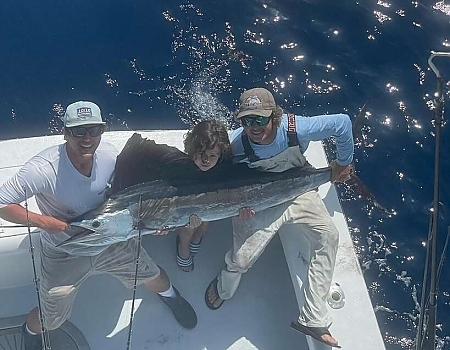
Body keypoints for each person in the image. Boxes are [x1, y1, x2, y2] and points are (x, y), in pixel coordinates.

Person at [0, 101, 197, 350]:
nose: (87, 138)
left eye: (94, 130)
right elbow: (1, 203)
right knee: (50, 318)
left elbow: (132, 199)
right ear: (65, 133)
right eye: (78, 131)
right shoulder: (43, 170)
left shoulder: (110, 156)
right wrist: (44, 222)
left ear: (103, 130)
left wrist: (159, 220)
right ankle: (29, 331)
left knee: (153, 275)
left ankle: (171, 297)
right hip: (65, 251)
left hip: (112, 240)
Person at [204, 88, 353, 348]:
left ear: (274, 115)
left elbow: (343, 123)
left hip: (299, 190)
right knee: (241, 259)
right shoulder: (237, 143)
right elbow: (219, 176)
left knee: (329, 236)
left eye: (260, 119)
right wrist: (238, 205)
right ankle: (224, 287)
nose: (254, 126)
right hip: (260, 201)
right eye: (247, 120)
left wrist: (342, 163)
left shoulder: (298, 128)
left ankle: (313, 319)